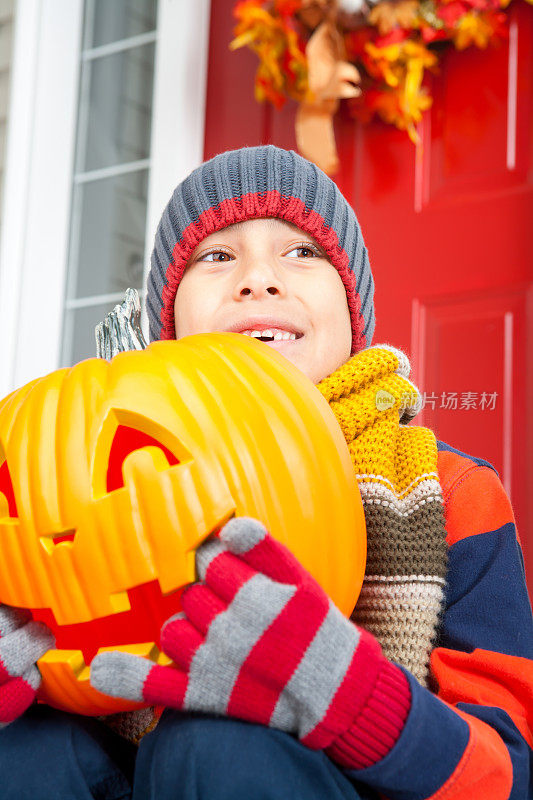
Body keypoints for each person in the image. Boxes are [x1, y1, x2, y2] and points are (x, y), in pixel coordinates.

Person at [0, 144, 531, 799]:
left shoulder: (453, 495)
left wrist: (351, 698)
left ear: (352, 309)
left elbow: (508, 778)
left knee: (215, 741)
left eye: (302, 252)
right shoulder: (70, 478)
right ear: (167, 331)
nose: (259, 279)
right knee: (20, 746)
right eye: (216, 257)